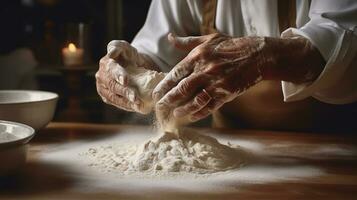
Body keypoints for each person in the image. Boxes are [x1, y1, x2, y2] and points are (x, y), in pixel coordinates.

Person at [96, 0, 357, 132]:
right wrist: (133, 70)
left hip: (335, 147)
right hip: (236, 148)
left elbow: (343, 37)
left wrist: (264, 57)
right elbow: (158, 51)